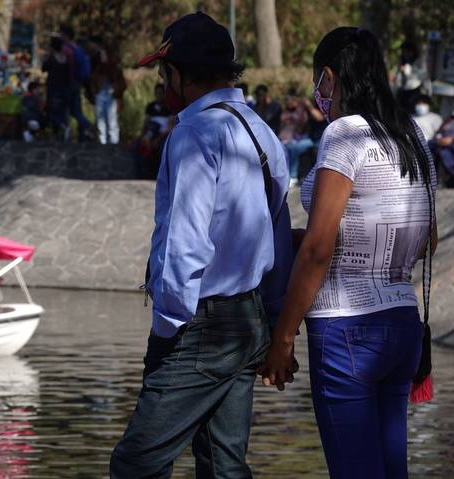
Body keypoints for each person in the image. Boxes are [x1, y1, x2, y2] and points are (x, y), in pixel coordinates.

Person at [110, 12, 293, 477]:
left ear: (181, 75)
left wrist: (170, 330)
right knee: (224, 466)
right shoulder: (258, 129)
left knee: (137, 463)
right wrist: (271, 320)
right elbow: (278, 228)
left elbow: (184, 245)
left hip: (201, 326)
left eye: (163, 74)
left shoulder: (193, 134)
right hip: (246, 319)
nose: (162, 85)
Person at [260, 27, 437, 479]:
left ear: (331, 77)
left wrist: (282, 337)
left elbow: (320, 249)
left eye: (319, 79)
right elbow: (427, 239)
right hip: (402, 325)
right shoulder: (412, 134)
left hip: (346, 329)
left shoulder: (344, 134)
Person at [59, 24, 93, 142]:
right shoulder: (77, 48)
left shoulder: (66, 49)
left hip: (68, 82)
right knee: (76, 111)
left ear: (65, 35)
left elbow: (63, 67)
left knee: (63, 110)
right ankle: (85, 128)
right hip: (77, 83)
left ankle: (65, 136)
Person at [88, 41, 127, 144]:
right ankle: (103, 142)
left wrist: (116, 91)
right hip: (100, 95)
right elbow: (92, 82)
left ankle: (114, 142)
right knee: (101, 121)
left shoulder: (115, 69)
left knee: (112, 120)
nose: (102, 57)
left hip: (111, 95)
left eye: (104, 54)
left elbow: (122, 84)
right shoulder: (97, 69)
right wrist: (95, 93)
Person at [278, 89, 313, 187]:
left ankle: (293, 176)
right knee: (283, 147)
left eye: (290, 100)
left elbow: (302, 127)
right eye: (286, 100)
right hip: (286, 139)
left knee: (293, 147)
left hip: (301, 138)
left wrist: (294, 118)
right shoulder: (285, 112)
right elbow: (282, 125)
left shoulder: (302, 111)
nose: (288, 102)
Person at [42, 34, 73, 140]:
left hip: (53, 88)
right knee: (61, 111)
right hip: (64, 89)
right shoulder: (65, 58)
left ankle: (62, 127)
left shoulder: (51, 58)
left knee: (50, 111)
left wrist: (45, 57)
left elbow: (43, 68)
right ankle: (58, 133)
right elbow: (69, 75)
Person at [392, 39, 428, 114]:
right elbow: (397, 82)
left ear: (413, 52)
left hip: (415, 95)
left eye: (408, 51)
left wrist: (408, 72)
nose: (406, 54)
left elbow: (419, 79)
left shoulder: (419, 63)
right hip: (402, 96)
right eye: (404, 51)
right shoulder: (402, 63)